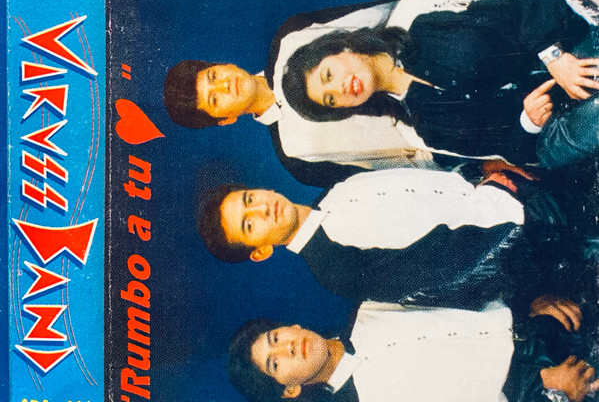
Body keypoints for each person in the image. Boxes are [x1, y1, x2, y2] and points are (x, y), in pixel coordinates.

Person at [279, 0, 599, 168]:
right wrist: (528, 121)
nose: (339, 89)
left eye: (328, 75)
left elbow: (525, 1)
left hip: (565, 51)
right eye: (331, 100)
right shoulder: (424, 129)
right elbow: (509, 148)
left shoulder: (422, 19)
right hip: (556, 127)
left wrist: (553, 56)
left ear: (340, 48)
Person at [198, 166, 589, 317]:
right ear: (261, 251)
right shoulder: (334, 269)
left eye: (249, 199)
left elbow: (436, 185)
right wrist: (531, 292)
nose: (261, 209)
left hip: (523, 189)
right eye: (249, 225)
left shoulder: (338, 189)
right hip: (539, 240)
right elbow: (448, 279)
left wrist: (488, 177)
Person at [163, 0, 439, 186]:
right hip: (444, 139)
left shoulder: (291, 36)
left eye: (213, 76)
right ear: (225, 120)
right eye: (214, 99)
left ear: (224, 64)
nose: (224, 86)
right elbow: (386, 180)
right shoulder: (295, 156)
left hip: (435, 55)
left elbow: (384, 13)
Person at [228, 301, 598, 402]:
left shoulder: (370, 306)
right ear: (290, 389)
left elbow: (472, 295)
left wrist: (534, 302)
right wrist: (552, 394)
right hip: (552, 390)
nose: (290, 347)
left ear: (291, 326)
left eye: (276, 337)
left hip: (554, 320)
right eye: (276, 362)